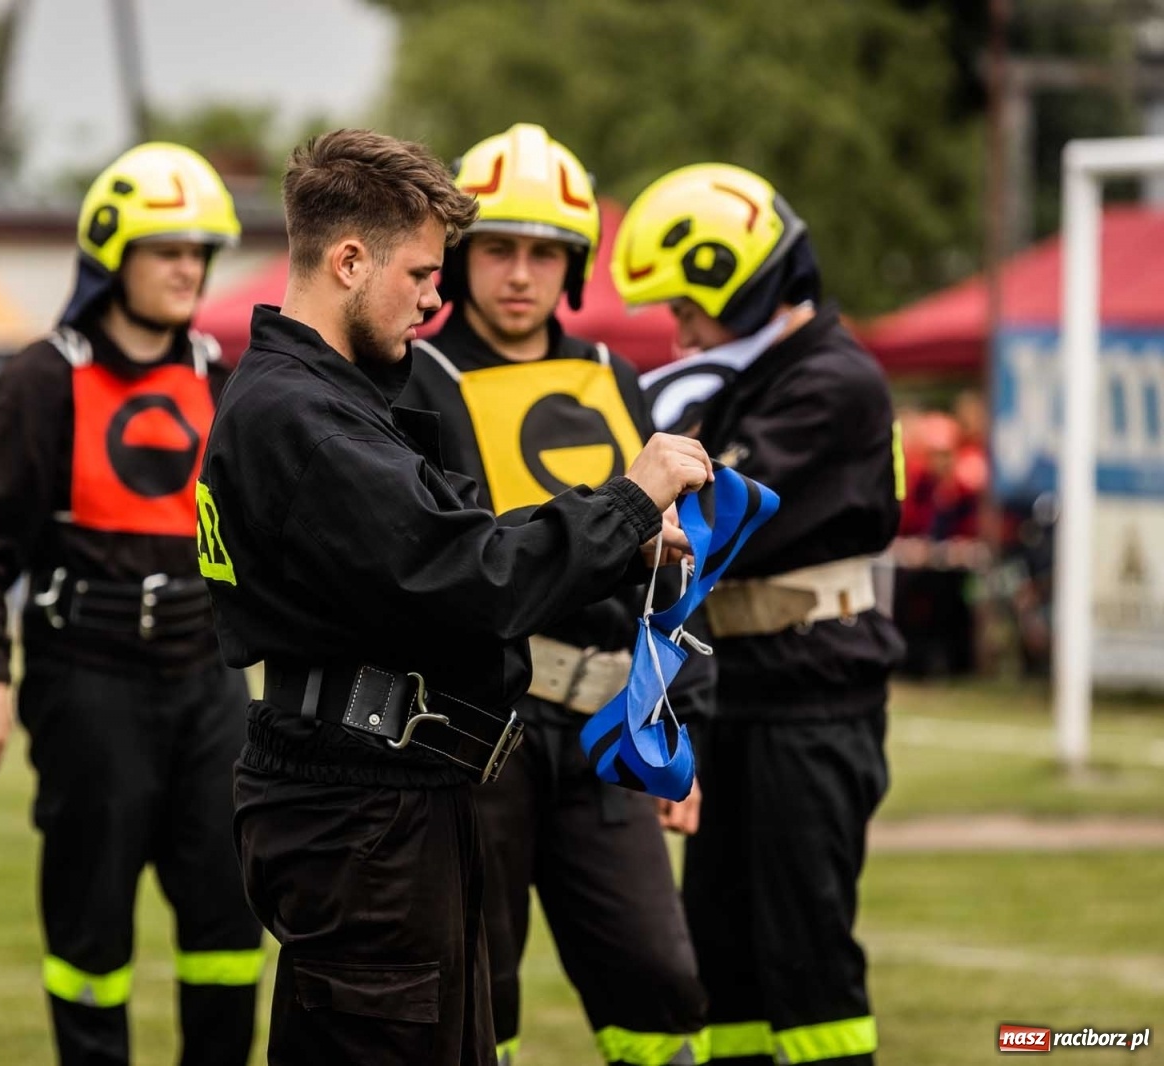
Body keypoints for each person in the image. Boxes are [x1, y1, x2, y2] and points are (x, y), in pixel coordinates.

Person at [197, 128, 714, 1066]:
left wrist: (624, 545)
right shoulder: (300, 418)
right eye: (425, 273)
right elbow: (471, 576)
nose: (439, 297)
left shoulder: (334, 397)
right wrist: (628, 499)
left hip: (388, 798)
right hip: (360, 815)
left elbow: (460, 542)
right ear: (349, 260)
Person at [0, 142, 265, 1066]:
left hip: (210, 690)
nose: (188, 269)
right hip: (89, 684)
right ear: (112, 257)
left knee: (232, 927)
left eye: (199, 252)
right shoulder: (40, 381)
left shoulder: (224, 380)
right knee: (90, 932)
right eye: (166, 251)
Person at [395, 123, 709, 1066]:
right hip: (482, 731)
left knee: (658, 977)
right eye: (499, 248)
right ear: (461, 255)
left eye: (545, 252)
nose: (521, 273)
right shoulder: (413, 381)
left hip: (610, 729)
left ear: (573, 265)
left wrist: (680, 718)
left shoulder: (617, 376)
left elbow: (677, 568)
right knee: (484, 991)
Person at [613, 163, 903, 1066]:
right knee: (725, 965)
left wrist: (612, 516)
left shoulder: (833, 381)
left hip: (811, 698)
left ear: (738, 277)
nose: (678, 326)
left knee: (808, 969)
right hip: (739, 693)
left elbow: (717, 508)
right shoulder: (756, 372)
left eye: (687, 303)